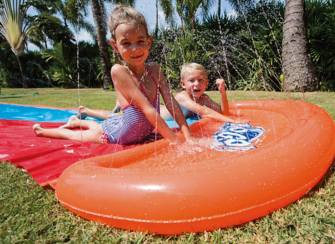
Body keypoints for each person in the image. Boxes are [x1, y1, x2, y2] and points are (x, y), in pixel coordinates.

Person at [33, 5, 194, 145]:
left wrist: (189, 136)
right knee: (75, 135)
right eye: (126, 43)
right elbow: (148, 110)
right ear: (115, 46)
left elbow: (171, 103)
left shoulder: (155, 70)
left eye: (140, 41)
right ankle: (42, 131)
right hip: (115, 134)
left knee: (102, 122)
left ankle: (77, 120)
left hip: (125, 125)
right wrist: (176, 142)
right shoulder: (120, 71)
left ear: (149, 41)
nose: (135, 49)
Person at [160, 63, 245, 123]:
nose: (197, 84)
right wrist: (233, 121)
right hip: (158, 112)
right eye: (191, 80)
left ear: (206, 83)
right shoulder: (182, 97)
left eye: (201, 80)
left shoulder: (204, 98)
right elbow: (204, 111)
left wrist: (222, 91)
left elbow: (224, 113)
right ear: (183, 84)